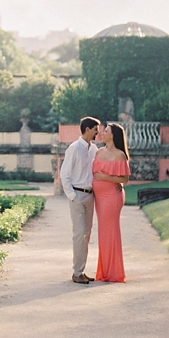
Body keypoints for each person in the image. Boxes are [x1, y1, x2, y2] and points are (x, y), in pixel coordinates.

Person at [60, 116, 103, 284]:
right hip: (77, 196)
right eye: (95, 129)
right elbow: (64, 175)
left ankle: (81, 270)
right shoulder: (74, 148)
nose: (97, 133)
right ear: (87, 129)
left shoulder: (94, 150)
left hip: (90, 196)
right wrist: (72, 197)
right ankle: (76, 272)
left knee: (87, 234)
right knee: (79, 234)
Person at [92, 122, 131, 283]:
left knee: (111, 232)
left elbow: (125, 179)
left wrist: (104, 178)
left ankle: (114, 272)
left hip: (112, 198)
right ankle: (105, 271)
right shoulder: (99, 151)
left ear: (113, 135)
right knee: (103, 233)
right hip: (99, 199)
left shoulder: (120, 155)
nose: (102, 133)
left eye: (105, 131)